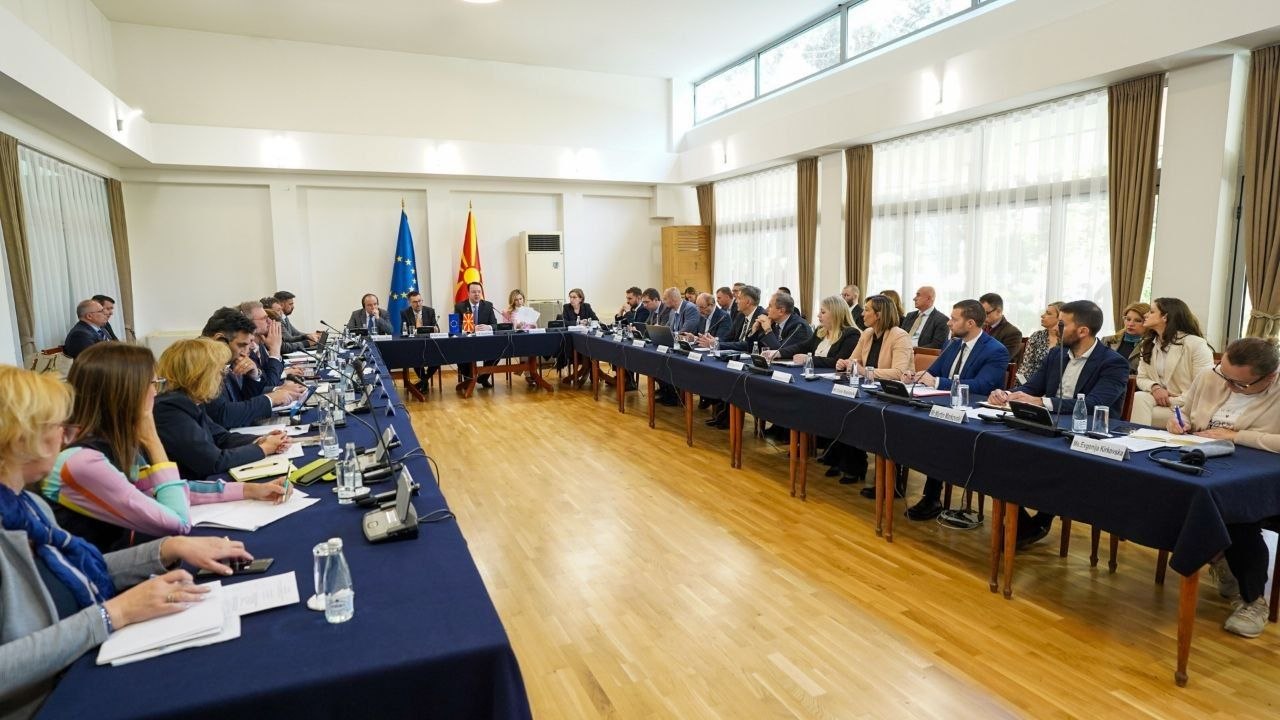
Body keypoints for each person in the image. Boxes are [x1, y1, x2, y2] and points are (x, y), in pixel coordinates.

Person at [0, 365, 256, 718]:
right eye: (57, 425)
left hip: (81, 664)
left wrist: (165, 549)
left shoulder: (27, 505)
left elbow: (73, 569)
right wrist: (114, 613)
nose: (67, 436)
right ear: (20, 438)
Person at [42, 343, 287, 553]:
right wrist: (151, 439)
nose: (155, 391)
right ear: (125, 393)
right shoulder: (83, 461)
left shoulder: (114, 441)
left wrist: (249, 490)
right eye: (151, 383)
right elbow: (177, 523)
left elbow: (161, 490)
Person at [988, 300, 1129, 548]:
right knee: (999, 450)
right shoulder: (1056, 354)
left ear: (1083, 331)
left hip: (1087, 435)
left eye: (1062, 325)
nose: (1054, 329)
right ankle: (1024, 521)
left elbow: (1094, 404)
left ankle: (1043, 518)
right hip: (1049, 426)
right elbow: (1032, 387)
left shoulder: (1113, 363)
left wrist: (1043, 402)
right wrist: (1008, 395)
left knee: (1047, 462)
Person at [1165, 338, 1280, 637]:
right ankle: (1219, 556)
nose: (1227, 385)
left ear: (1269, 377)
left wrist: (1236, 436)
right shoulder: (1210, 376)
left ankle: (1253, 600)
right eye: (1224, 375)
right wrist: (1177, 422)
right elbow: (1185, 412)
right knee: (1163, 489)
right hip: (1202, 460)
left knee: (1239, 513)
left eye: (1239, 384)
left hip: (1258, 474)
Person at [903, 300, 1013, 520]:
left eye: (954, 319)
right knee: (907, 422)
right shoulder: (952, 344)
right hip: (942, 406)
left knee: (938, 435)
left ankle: (932, 497)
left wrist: (937, 382)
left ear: (970, 323)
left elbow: (982, 386)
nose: (948, 322)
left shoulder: (995, 350)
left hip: (972, 414)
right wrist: (916, 376)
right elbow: (933, 372)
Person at [153, 338, 293, 479]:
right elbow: (213, 462)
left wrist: (261, 440)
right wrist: (263, 449)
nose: (222, 377)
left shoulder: (189, 400)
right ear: (198, 375)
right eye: (219, 371)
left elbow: (221, 438)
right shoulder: (169, 409)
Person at [833, 295, 912, 496]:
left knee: (882, 422)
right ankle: (853, 465)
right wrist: (844, 363)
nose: (862, 313)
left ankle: (891, 482)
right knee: (845, 409)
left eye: (867, 310)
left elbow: (899, 372)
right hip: (869, 389)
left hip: (894, 394)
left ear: (879, 315)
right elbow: (854, 361)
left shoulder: (900, 336)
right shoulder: (867, 333)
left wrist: (865, 371)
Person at [201, 308, 300, 429]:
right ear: (220, 340)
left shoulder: (227, 360)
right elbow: (222, 415)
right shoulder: (199, 365)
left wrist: (253, 376)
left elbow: (244, 400)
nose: (246, 352)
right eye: (242, 345)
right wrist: (270, 399)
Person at [1131, 298, 1214, 426]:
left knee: (1142, 413)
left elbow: (1203, 388)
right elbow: (1141, 378)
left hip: (1187, 407)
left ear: (1165, 317)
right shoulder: (1148, 345)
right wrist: (1155, 388)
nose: (1146, 315)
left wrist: (1169, 400)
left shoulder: (1196, 344)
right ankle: (1138, 435)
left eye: (1151, 312)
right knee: (1139, 397)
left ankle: (1137, 435)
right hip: (1158, 402)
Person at [789, 295, 860, 369]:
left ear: (835, 314)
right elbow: (802, 347)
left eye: (823, 312)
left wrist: (809, 359)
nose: (818, 315)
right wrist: (781, 353)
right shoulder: (820, 330)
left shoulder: (851, 334)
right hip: (814, 373)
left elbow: (839, 361)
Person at [453, 282, 498, 389]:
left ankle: (483, 377)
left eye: (479, 292)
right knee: (459, 352)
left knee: (499, 351)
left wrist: (488, 327)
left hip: (485, 342)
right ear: (468, 293)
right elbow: (456, 326)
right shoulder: (460, 306)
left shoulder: (488, 305)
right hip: (467, 342)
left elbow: (495, 325)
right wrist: (471, 328)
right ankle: (468, 380)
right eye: (474, 292)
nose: (477, 294)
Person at [399, 291, 440, 391]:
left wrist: (436, 329)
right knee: (415, 359)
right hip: (413, 345)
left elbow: (437, 328)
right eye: (415, 302)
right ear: (410, 303)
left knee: (439, 358)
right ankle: (424, 382)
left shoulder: (430, 311)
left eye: (420, 301)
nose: (418, 304)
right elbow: (403, 330)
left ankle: (423, 381)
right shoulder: (405, 313)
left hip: (429, 344)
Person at [1017, 302, 1065, 384]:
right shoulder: (1037, 336)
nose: (1042, 316)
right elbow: (1026, 366)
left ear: (1060, 318)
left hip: (1057, 384)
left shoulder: (1068, 340)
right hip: (1031, 384)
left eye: (1048, 313)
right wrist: (1025, 386)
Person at [758, 293, 814, 360]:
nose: (766, 310)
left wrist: (768, 330)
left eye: (770, 306)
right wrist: (755, 329)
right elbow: (756, 348)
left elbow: (780, 351)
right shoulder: (774, 323)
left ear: (781, 311)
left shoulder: (799, 326)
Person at [1101, 301, 1150, 374]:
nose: (1130, 324)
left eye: (1138, 321)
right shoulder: (1107, 341)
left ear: (1147, 322)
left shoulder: (1151, 345)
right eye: (1128, 319)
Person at [979, 292, 1025, 364]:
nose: (982, 317)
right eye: (980, 313)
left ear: (998, 311)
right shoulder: (977, 327)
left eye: (986, 313)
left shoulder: (1013, 333)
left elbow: (1002, 358)